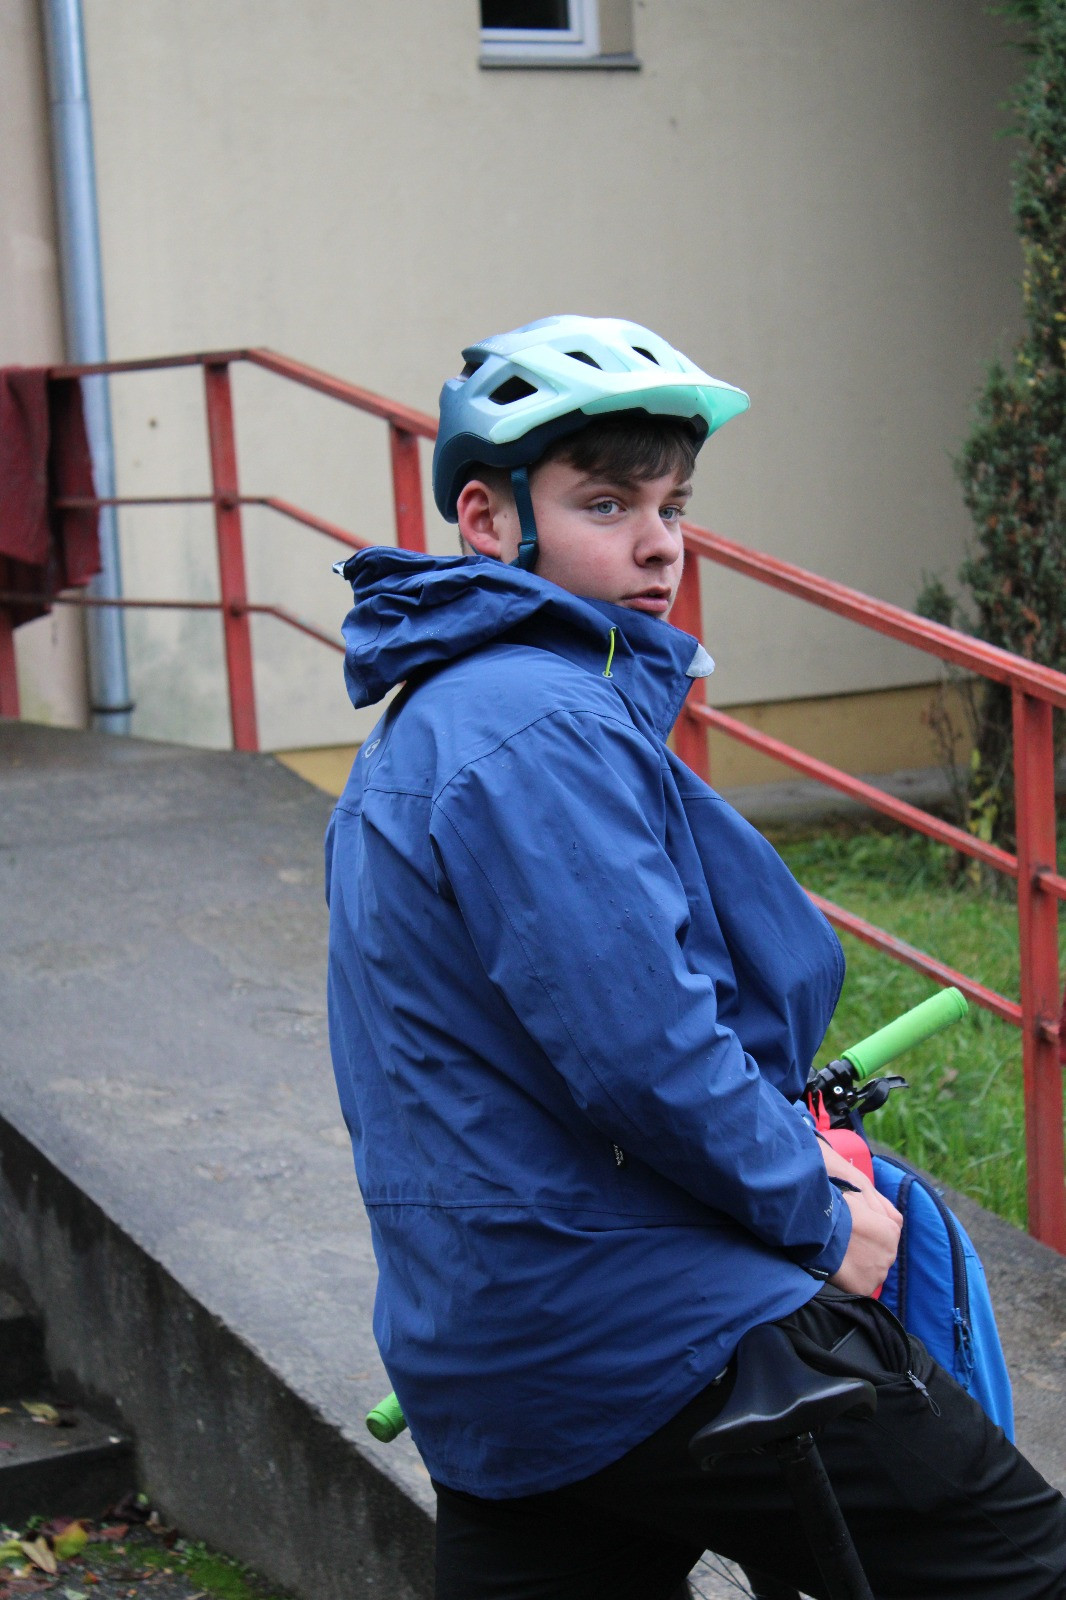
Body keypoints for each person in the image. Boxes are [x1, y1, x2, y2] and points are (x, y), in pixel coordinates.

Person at [326, 314, 1066, 1599]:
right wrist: (817, 1212)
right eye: (606, 503)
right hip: (652, 1327)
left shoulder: (438, 716)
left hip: (494, 1351)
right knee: (1021, 1570)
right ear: (486, 520)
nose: (659, 542)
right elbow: (644, 1048)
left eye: (671, 505)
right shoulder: (535, 722)